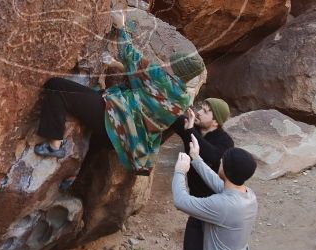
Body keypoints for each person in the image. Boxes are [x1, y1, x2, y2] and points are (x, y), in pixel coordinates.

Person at [35, 10, 205, 174]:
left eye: (171, 63)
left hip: (113, 119)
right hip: (127, 140)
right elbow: (139, 78)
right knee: (94, 140)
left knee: (55, 86)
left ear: (177, 70)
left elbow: (129, 55)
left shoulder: (159, 76)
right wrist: (115, 64)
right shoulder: (182, 98)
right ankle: (74, 179)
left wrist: (121, 27)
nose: (166, 63)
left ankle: (54, 146)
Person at [169, 99, 234, 250]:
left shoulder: (225, 141)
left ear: (216, 121)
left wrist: (190, 133)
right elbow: (172, 118)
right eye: (200, 109)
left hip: (216, 208)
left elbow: (212, 155)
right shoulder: (194, 127)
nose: (199, 113)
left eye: (205, 112)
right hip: (199, 205)